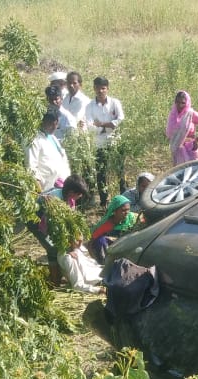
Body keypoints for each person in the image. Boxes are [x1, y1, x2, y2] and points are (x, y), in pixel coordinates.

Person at [84, 76, 124, 207]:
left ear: (107, 89)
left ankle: (123, 196)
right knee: (101, 172)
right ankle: (103, 201)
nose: (101, 91)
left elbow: (120, 120)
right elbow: (89, 125)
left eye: (103, 88)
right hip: (99, 143)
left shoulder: (114, 103)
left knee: (119, 170)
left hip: (115, 142)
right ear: (94, 88)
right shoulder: (90, 106)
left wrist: (101, 124)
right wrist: (107, 127)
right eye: (98, 88)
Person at [26, 112, 71, 192]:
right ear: (42, 122)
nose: (54, 127)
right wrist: (39, 189)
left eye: (56, 124)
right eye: (50, 124)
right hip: (45, 187)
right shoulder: (34, 140)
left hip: (61, 185)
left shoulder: (53, 138)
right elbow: (31, 166)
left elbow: (63, 159)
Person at [166, 90, 198, 165]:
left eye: (183, 103)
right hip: (177, 148)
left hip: (189, 148)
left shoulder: (191, 114)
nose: (179, 105)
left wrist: (196, 140)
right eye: (177, 102)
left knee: (192, 170)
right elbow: (170, 133)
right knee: (179, 172)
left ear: (187, 103)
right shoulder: (173, 114)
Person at [89, 195, 136, 263]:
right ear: (115, 211)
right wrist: (93, 259)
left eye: (128, 209)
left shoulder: (132, 217)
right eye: (123, 210)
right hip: (112, 250)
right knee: (100, 240)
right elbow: (91, 241)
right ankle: (104, 262)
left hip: (128, 248)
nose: (126, 213)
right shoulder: (107, 224)